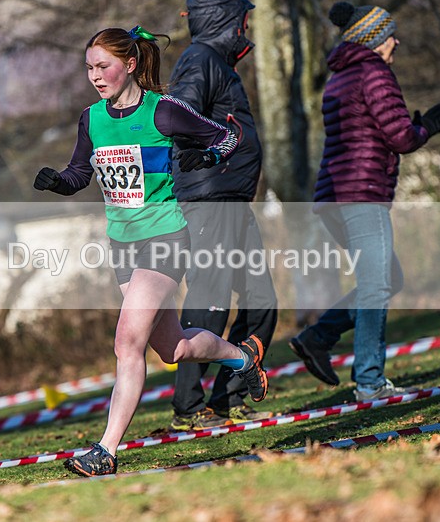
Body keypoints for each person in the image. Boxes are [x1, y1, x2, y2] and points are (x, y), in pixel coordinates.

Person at [33, 25, 270, 477]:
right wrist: (57, 182)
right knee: (174, 349)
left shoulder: (163, 111)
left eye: (103, 66)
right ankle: (243, 358)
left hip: (165, 239)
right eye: (89, 68)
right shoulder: (91, 119)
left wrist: (209, 157)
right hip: (122, 245)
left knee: (127, 341)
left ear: (130, 64)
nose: (95, 76)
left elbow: (227, 136)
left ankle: (105, 451)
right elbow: (79, 173)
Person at [288, 1, 440, 401]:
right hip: (362, 196)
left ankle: (318, 337)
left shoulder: (340, 77)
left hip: (334, 197)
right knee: (376, 286)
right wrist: (426, 128)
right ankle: (369, 380)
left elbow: (372, 130)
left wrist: (419, 126)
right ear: (373, 41)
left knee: (387, 279)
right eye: (389, 36)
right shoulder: (374, 72)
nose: (395, 42)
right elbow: (400, 138)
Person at [167, 0, 278, 431]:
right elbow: (179, 115)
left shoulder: (218, 63)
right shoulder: (200, 60)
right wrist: (210, 152)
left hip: (232, 198)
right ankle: (188, 408)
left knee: (261, 300)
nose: (246, 28)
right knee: (209, 301)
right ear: (223, 20)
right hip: (209, 199)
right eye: (242, 20)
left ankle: (229, 397)